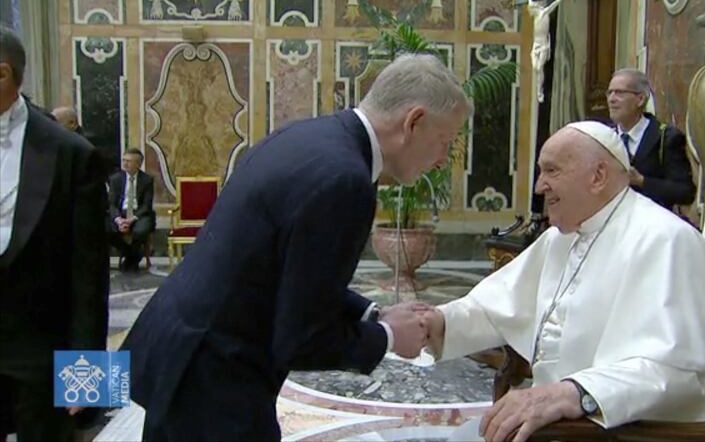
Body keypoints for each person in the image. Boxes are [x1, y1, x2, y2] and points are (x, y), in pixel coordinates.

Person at [122, 53, 472, 441]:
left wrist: (373, 312)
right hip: (216, 378)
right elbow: (301, 340)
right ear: (414, 121)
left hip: (184, 352)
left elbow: (291, 273)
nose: (442, 160)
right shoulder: (345, 181)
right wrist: (388, 337)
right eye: (445, 141)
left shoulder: (309, 137)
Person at [424, 121, 705, 442]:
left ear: (598, 176)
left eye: (552, 171)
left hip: (656, 429)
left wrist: (574, 394)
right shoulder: (560, 237)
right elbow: (497, 306)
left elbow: (679, 373)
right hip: (574, 427)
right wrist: (436, 323)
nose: (539, 186)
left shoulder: (667, 240)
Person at [0, 27, 109, 442]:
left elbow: (90, 276)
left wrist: (89, 378)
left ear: (4, 74)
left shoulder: (70, 154)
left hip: (41, 350)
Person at [606, 68, 696, 210]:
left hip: (651, 224)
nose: (611, 99)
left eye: (619, 93)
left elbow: (685, 192)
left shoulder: (666, 137)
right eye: (610, 92)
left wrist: (642, 181)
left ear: (640, 99)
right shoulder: (604, 136)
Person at [107, 147, 155, 272]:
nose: (125, 163)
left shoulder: (147, 180)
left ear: (138, 164)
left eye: (128, 161)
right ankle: (132, 255)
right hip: (120, 213)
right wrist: (119, 220)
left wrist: (131, 219)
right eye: (124, 160)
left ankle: (129, 259)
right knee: (107, 229)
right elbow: (111, 203)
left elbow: (147, 205)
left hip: (139, 214)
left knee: (141, 230)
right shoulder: (115, 179)